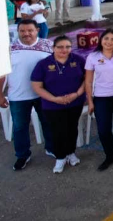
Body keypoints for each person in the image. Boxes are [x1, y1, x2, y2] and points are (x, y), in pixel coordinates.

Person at [0, 20, 54, 170]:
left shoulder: (48, 45)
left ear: (37, 30)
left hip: (43, 94)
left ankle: (51, 148)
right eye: (22, 31)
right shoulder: (9, 49)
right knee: (19, 127)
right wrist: (0, 95)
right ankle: (22, 155)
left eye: (30, 30)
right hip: (18, 97)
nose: (26, 34)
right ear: (18, 32)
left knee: (47, 123)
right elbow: (2, 75)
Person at [30, 36, 86, 174]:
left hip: (75, 102)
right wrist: (55, 99)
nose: (64, 50)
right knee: (57, 131)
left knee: (72, 128)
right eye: (60, 47)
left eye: (67, 46)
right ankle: (60, 157)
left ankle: (71, 153)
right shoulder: (43, 64)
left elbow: (87, 79)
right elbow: (37, 86)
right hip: (52, 105)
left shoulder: (78, 60)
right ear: (53, 48)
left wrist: (77, 94)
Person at [85, 29, 113, 171]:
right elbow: (88, 82)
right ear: (101, 39)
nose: (109, 42)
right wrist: (90, 101)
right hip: (101, 98)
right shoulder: (92, 57)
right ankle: (109, 155)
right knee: (104, 129)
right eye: (106, 38)